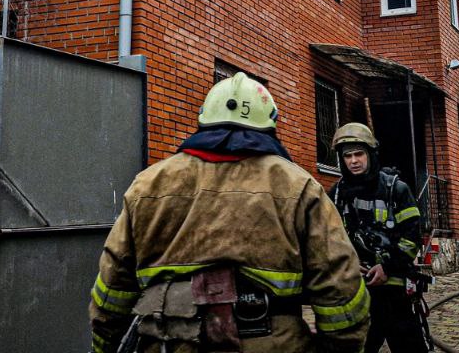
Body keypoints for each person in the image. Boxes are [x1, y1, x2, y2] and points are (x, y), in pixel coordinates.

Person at [88, 72, 370, 352]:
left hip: (168, 342)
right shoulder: (298, 186)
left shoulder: (149, 183)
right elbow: (340, 287)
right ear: (270, 123)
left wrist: (105, 345)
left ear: (203, 120)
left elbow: (113, 287)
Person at [328, 122, 430, 353]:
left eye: (359, 154)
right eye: (348, 156)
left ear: (371, 155)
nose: (353, 161)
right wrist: (350, 265)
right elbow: (327, 241)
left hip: (395, 293)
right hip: (356, 292)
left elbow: (411, 238)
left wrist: (387, 267)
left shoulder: (397, 189)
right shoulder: (335, 195)